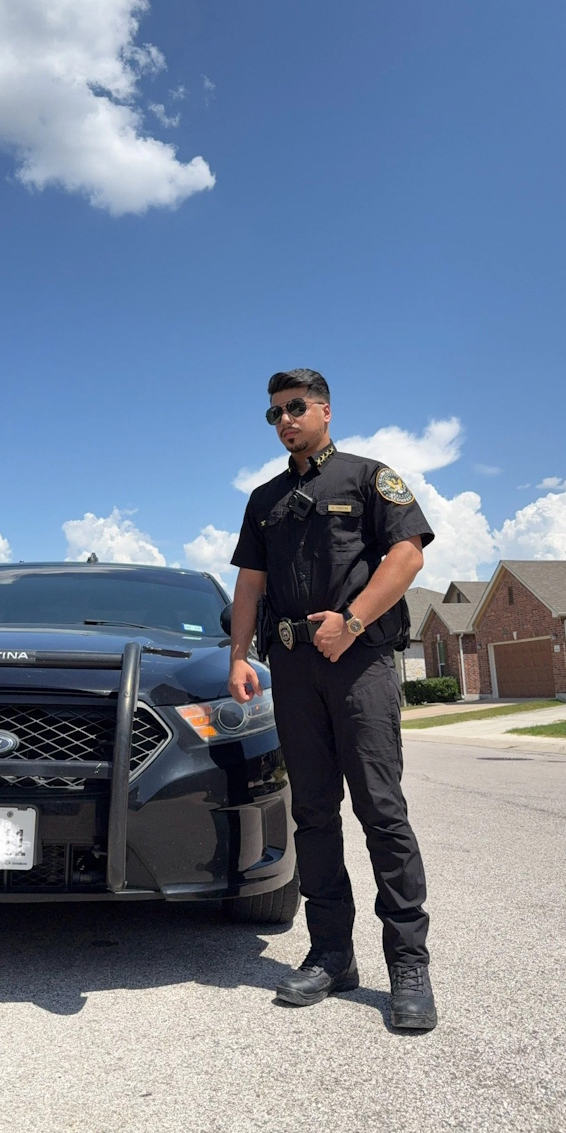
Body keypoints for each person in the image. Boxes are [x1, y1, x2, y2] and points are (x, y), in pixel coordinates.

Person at [228, 368, 438, 1031]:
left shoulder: (368, 476)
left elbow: (407, 557)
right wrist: (239, 656)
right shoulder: (263, 499)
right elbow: (249, 586)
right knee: (314, 812)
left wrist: (350, 622)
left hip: (360, 664)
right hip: (292, 670)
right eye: (274, 413)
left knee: (381, 809)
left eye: (295, 407)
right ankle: (331, 954)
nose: (285, 419)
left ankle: (408, 965)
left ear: (323, 409)